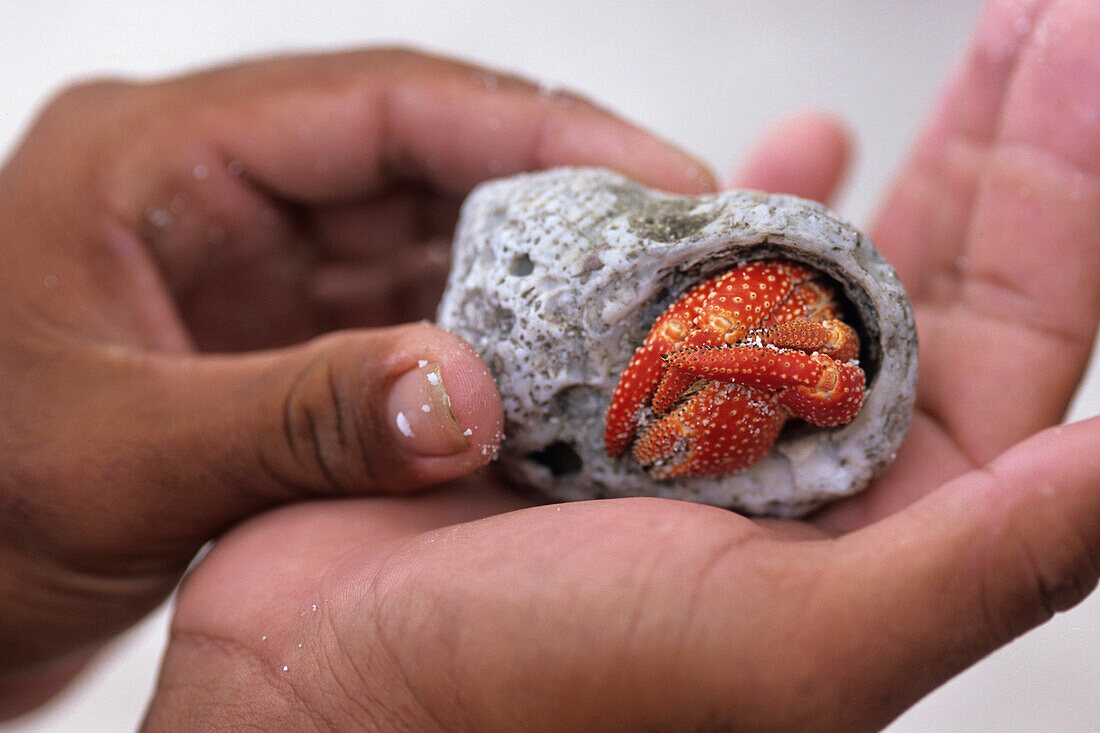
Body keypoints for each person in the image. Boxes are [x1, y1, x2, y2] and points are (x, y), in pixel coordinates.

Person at [0, 0, 1096, 729]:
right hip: (658, 345)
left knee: (792, 369)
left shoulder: (803, 324)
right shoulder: (706, 304)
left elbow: (831, 381)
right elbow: (683, 345)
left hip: (720, 355)